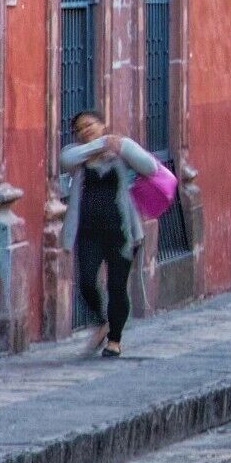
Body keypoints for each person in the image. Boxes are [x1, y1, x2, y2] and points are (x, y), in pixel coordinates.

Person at [60, 112, 162, 358]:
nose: (85, 131)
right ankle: (102, 319)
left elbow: (151, 167)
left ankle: (114, 339)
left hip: (122, 232)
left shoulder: (122, 152)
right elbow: (65, 159)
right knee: (85, 282)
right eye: (80, 129)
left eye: (90, 125)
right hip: (88, 232)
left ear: (102, 124)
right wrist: (101, 144)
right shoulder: (77, 156)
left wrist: (121, 146)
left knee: (117, 286)